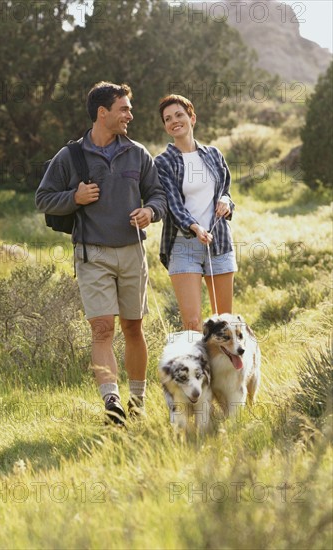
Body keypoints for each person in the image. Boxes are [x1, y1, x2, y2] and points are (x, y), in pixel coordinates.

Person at [36, 82, 167, 425]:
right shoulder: (71, 156)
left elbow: (158, 195)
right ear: (102, 113)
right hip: (92, 254)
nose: (130, 115)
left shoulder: (138, 152)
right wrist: (74, 199)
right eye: (123, 109)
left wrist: (150, 212)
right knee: (102, 329)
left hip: (132, 254)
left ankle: (137, 401)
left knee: (134, 328)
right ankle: (112, 404)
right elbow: (43, 199)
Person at [154, 94, 237, 332]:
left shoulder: (213, 154)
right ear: (165, 126)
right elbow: (173, 204)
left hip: (219, 243)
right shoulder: (163, 162)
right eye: (168, 118)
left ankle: (224, 370)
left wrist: (226, 201)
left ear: (192, 118)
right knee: (192, 324)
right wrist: (195, 227)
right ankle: (199, 370)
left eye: (179, 115)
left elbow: (226, 190)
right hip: (183, 246)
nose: (174, 121)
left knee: (224, 324)